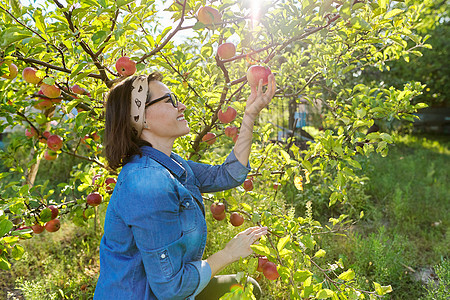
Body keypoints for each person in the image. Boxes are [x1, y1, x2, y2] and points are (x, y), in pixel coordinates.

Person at [94, 71, 276, 299]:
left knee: (245, 288)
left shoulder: (171, 164)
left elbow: (228, 174)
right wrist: (229, 253)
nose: (181, 106)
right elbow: (172, 288)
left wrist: (250, 114)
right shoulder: (146, 181)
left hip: (169, 292)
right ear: (141, 118)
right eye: (170, 100)